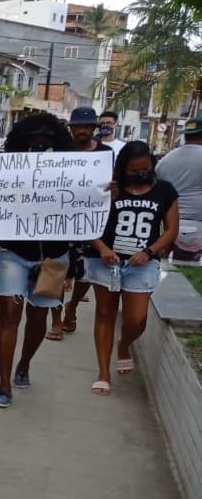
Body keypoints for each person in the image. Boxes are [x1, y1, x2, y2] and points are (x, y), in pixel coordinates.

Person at [0, 114, 75, 409]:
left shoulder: (71, 173)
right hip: (14, 252)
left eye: (48, 142)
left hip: (53, 257)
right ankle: (3, 383)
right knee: (9, 316)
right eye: (33, 141)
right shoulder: (9, 172)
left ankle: (24, 364)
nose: (40, 146)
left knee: (38, 316)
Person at [85, 142, 178, 396]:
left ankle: (124, 344)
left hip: (143, 263)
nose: (140, 174)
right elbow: (86, 221)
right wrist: (102, 248)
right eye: (134, 170)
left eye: (145, 169)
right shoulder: (110, 189)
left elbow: (171, 230)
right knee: (104, 313)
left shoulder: (165, 191)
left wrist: (149, 252)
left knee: (137, 319)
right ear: (123, 169)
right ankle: (103, 372)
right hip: (105, 260)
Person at [58, 107, 116, 335]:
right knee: (56, 268)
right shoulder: (61, 151)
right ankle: (55, 319)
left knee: (86, 270)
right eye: (77, 127)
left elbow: (111, 184)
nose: (82, 130)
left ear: (94, 128)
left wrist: (113, 190)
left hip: (91, 221)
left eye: (87, 126)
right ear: (71, 128)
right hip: (61, 219)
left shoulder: (105, 154)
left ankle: (72, 306)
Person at [152, 116, 202, 263]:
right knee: (188, 276)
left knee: (165, 271)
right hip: (197, 224)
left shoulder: (166, 159)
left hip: (167, 226)